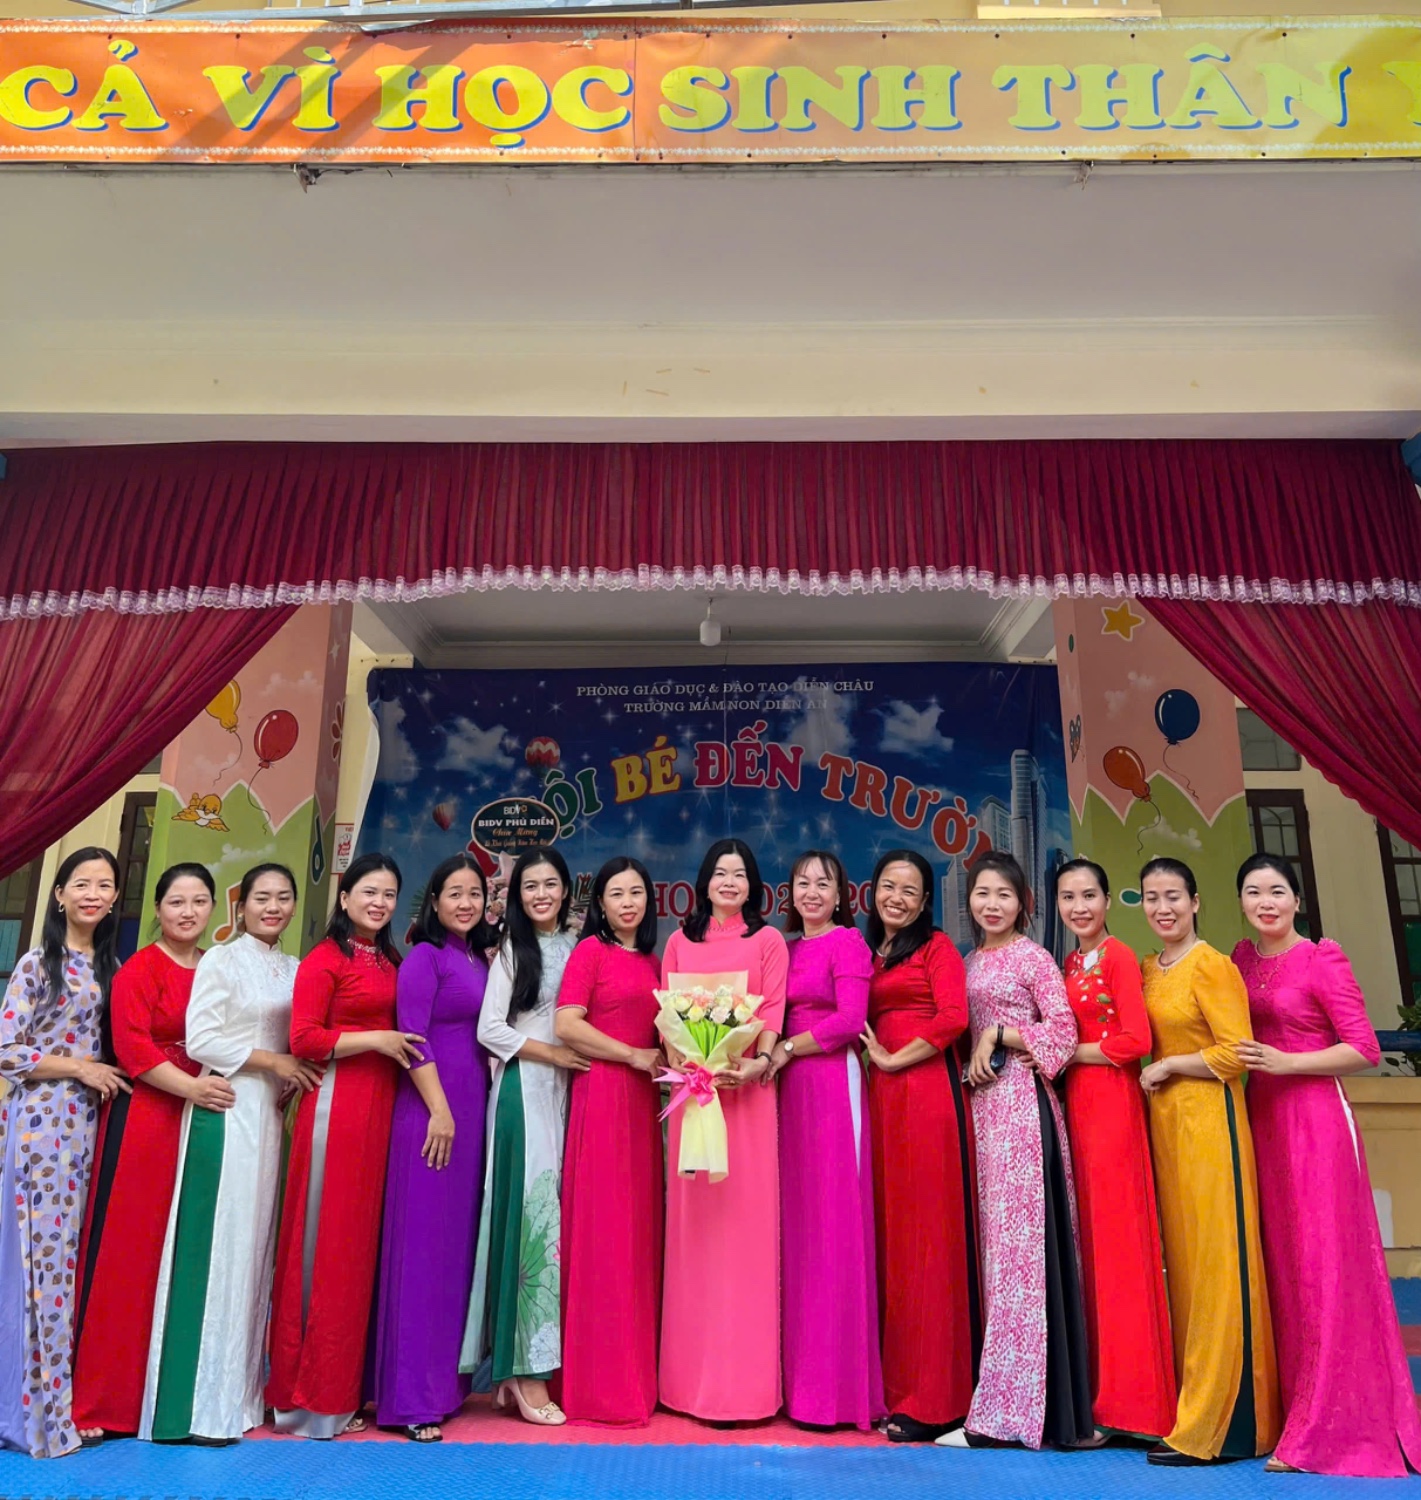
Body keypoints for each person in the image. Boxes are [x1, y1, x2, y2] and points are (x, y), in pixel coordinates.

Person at [1233, 854, 1421, 1477]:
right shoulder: (1241, 960)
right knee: (1282, 1266)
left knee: (1324, 1265)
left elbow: (1364, 1048)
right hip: (1262, 1122)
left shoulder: (1323, 959)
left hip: (1316, 1123)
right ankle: (1289, 1411)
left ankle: (1328, 1425)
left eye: (1276, 891)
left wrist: (1288, 1063)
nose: (1266, 902)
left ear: (1297, 899)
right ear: (1240, 902)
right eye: (1254, 891)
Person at [138, 862, 320, 1444]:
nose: (273, 907)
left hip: (269, 1117)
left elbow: (302, 1038)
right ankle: (191, 1410)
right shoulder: (221, 959)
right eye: (262, 897)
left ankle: (238, 1398)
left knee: (253, 1253)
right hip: (225, 1108)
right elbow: (202, 1039)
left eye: (283, 897)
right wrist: (274, 1063)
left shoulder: (295, 969)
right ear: (241, 907)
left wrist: (289, 1077)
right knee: (215, 1249)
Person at [938, 851, 1092, 1452]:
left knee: (1022, 1258)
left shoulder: (1034, 957)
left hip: (1024, 1113)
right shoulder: (969, 961)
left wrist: (1001, 1034)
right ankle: (1003, 1399)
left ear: (1023, 902)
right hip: (983, 1114)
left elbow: (1064, 1032)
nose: (992, 904)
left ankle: (1013, 1414)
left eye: (1004, 894)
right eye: (982, 893)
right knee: (996, 1256)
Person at [267, 854, 422, 1439]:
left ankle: (347, 1388)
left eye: (389, 895)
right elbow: (304, 1037)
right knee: (325, 1246)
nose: (379, 903)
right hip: (336, 1110)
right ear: (345, 897)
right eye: (369, 893)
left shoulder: (390, 960)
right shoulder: (324, 959)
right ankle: (308, 1399)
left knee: (359, 1251)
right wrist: (377, 1038)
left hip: (382, 1113)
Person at [1138, 856, 1281, 1467]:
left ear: (1195, 902)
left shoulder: (1212, 965)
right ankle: (1186, 1403)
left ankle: (1225, 1425)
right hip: (1165, 1129)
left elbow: (1238, 1052)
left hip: (1211, 1124)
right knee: (1184, 1267)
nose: (1163, 908)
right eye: (1151, 898)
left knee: (1218, 1264)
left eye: (1174, 896)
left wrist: (1172, 1064)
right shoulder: (1148, 968)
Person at [72, 863, 222, 1444]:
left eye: (199, 901)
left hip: (203, 1120)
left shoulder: (216, 968)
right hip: (146, 1120)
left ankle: (171, 1400)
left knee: (185, 1255)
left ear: (214, 909)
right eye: (176, 901)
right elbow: (132, 1049)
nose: (188, 912)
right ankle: (104, 1401)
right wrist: (192, 1088)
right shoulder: (139, 969)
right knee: (128, 1256)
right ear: (157, 909)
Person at [0, 848, 128, 1459]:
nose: (93, 894)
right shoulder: (37, 963)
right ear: (59, 894)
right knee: (40, 1266)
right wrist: (80, 1067)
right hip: (42, 1127)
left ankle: (58, 1402)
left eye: (105, 885)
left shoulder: (111, 966)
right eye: (82, 883)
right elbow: (6, 1049)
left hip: (86, 1128)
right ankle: (35, 1416)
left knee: (67, 1267)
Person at [659, 838, 787, 1424]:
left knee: (745, 1234)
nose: (729, 882)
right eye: (719, 872)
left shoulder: (768, 941)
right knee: (696, 1233)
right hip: (695, 1097)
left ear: (752, 884)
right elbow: (666, 1018)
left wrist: (757, 1062)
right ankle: (686, 1385)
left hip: (748, 1099)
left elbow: (772, 1012)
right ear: (704, 882)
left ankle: (745, 1389)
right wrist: (688, 1064)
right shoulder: (679, 943)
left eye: (739, 873)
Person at [460, 846, 587, 1426]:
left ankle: (527, 1367)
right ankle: (522, 1370)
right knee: (531, 1227)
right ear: (517, 895)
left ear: (566, 890)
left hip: (568, 1094)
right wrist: (552, 1054)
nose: (540, 894)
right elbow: (490, 1029)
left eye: (550, 884)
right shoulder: (515, 949)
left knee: (557, 1223)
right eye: (530, 885)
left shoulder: (580, 946)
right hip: (523, 1093)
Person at [373, 854, 497, 1442]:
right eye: (455, 893)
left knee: (452, 1253)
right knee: (421, 1252)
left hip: (470, 1114)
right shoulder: (425, 956)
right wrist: (440, 1111)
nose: (466, 903)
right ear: (435, 901)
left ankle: (444, 1388)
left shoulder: (476, 957)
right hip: (431, 1117)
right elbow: (412, 1038)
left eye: (475, 893)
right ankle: (411, 1399)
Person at [1055, 858, 1175, 1442]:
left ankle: (1137, 1408)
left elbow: (1136, 1040)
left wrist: (1067, 1051)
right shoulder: (1071, 962)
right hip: (1078, 1107)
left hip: (1112, 1106)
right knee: (1093, 1249)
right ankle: (1103, 1398)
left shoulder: (1120, 957)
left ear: (1107, 901)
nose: (1079, 907)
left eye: (1088, 895)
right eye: (1068, 897)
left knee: (1120, 1247)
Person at [860, 849, 975, 1444]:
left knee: (928, 1241)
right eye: (888, 886)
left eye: (909, 890)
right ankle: (892, 1387)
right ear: (873, 890)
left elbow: (953, 1018)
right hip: (881, 1104)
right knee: (891, 1239)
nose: (897, 898)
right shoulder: (868, 953)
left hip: (926, 1096)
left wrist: (892, 1059)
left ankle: (936, 1400)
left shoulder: (937, 948)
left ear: (926, 900)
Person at [768, 850, 882, 1431]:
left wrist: (788, 1047)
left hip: (833, 1085)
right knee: (800, 1230)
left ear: (841, 895)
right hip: (789, 1093)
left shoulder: (848, 944)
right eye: (802, 882)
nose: (812, 891)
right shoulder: (785, 949)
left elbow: (848, 1020)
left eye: (824, 883)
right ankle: (800, 1388)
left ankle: (837, 1392)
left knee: (836, 1225)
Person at [555, 856, 664, 1427]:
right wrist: (631, 1056)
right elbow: (566, 1025)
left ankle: (637, 1376)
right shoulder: (589, 953)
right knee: (603, 1231)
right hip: (601, 1096)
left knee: (638, 1232)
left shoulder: (652, 961)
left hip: (643, 1105)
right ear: (599, 903)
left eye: (636, 892)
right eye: (616, 893)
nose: (627, 902)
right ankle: (598, 1384)